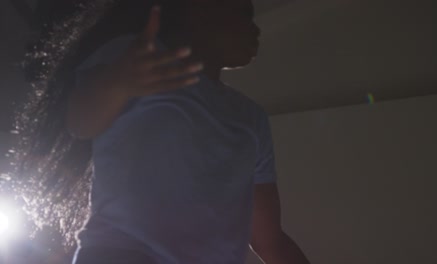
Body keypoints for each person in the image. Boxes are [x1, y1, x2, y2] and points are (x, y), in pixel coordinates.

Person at [13, 0, 310, 263]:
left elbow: (270, 241)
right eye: (245, 14)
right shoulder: (140, 60)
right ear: (199, 8)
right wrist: (120, 81)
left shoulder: (251, 118)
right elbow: (80, 122)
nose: (255, 29)